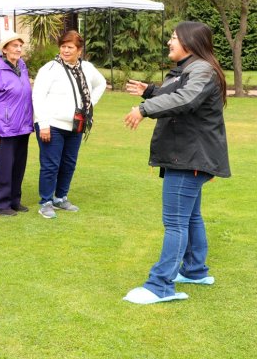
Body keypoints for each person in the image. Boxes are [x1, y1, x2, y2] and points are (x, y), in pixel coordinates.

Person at [122, 21, 231, 305]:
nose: (169, 42)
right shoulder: (190, 68)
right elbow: (173, 92)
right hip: (187, 156)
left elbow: (185, 99)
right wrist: (150, 91)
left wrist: (144, 109)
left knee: (175, 223)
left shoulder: (202, 71)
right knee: (190, 217)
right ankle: (195, 270)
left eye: (173, 37)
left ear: (189, 42)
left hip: (188, 158)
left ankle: (160, 285)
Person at [31, 31, 106, 219]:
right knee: (50, 164)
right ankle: (45, 201)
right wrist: (44, 124)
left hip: (76, 124)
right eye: (63, 46)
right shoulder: (50, 69)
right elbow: (38, 96)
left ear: (79, 50)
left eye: (70, 47)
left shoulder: (86, 68)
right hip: (52, 124)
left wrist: (89, 106)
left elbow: (101, 84)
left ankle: (60, 197)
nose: (65, 50)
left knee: (69, 163)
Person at [0, 33, 33, 217]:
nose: (18, 49)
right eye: (14, 46)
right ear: (4, 49)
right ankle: (0, 204)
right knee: (5, 167)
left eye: (20, 46)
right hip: (4, 128)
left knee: (19, 166)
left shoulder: (22, 66)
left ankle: (14, 201)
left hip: (23, 126)